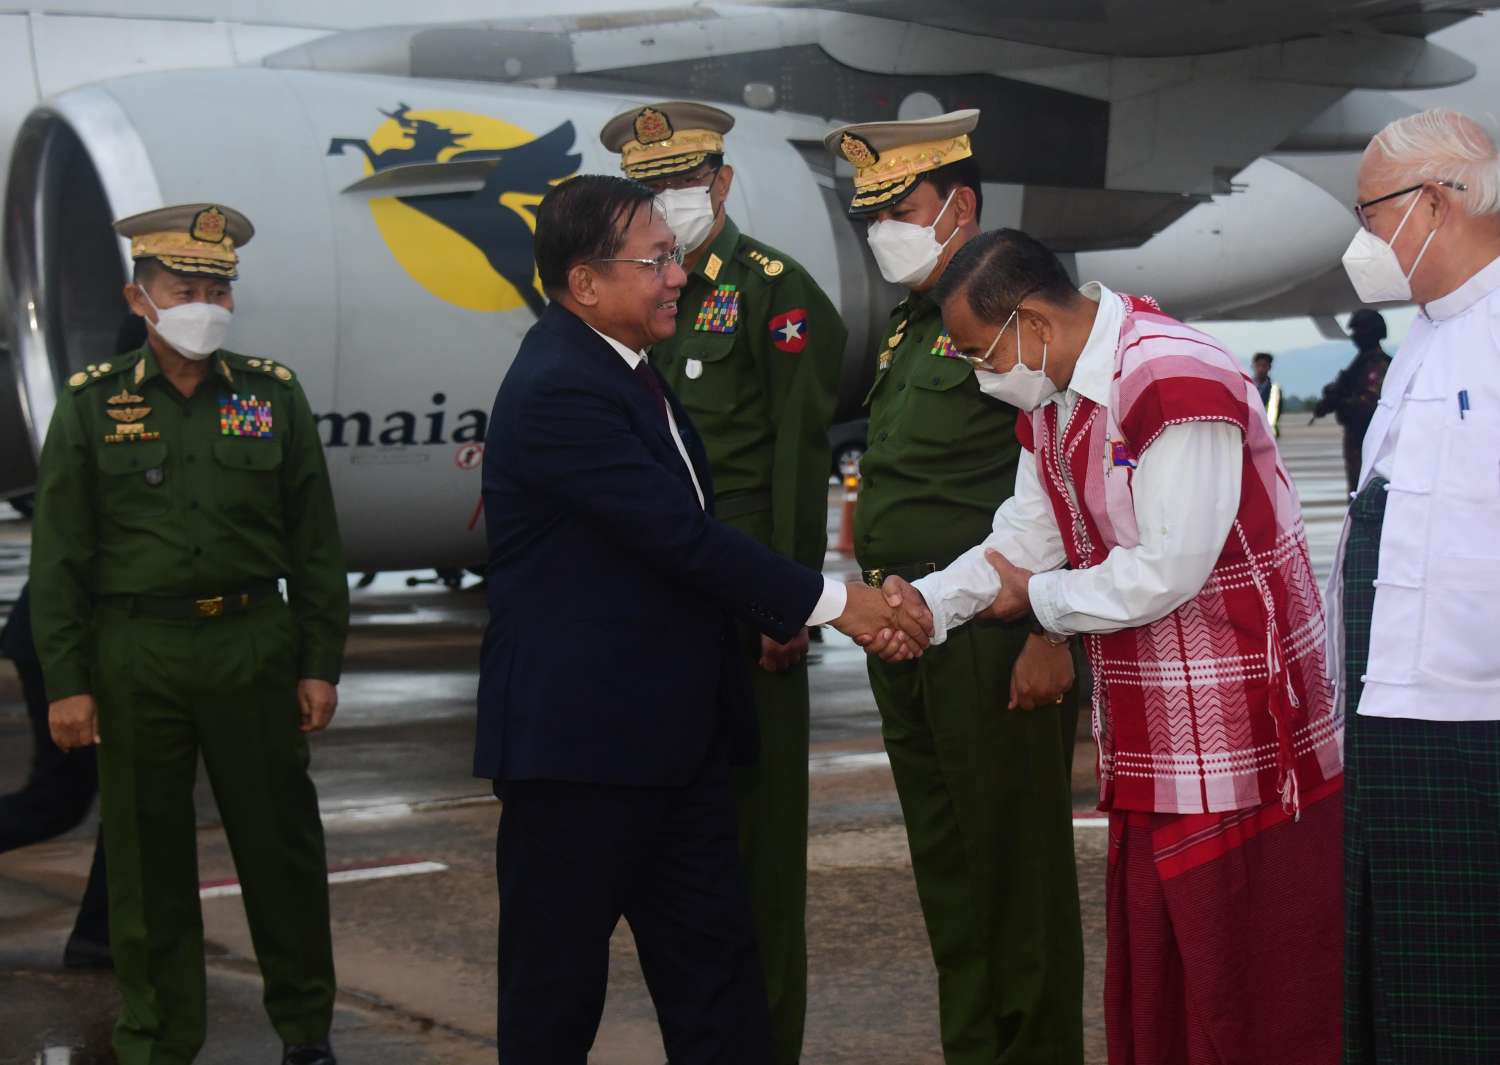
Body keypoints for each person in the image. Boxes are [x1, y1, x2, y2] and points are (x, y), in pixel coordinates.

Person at [476, 174, 929, 1065]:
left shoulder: (628, 369)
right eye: (655, 261)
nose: (678, 276)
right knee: (553, 1002)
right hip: (579, 759)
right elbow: (678, 538)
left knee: (717, 988)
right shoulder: (560, 386)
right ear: (585, 283)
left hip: (673, 748)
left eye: (674, 257)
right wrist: (840, 602)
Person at [872, 228, 1345, 1064]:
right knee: (1166, 978)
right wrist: (928, 604)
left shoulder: (1173, 377)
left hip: (1240, 734)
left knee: (1248, 986)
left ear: (1032, 324)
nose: (982, 375)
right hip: (1154, 732)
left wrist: (1040, 600)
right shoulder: (1054, 397)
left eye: (982, 355)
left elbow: (1169, 566)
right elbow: (1026, 537)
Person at [29, 203, 349, 1065]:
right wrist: (67, 682)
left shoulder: (272, 396)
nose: (205, 305)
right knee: (146, 862)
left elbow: (315, 543)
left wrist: (320, 661)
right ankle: (158, 1039)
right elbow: (59, 558)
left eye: (218, 290)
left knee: (281, 848)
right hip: (138, 651)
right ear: (139, 298)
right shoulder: (93, 404)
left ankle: (305, 1030)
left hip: (252, 642)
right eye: (185, 290)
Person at [822, 111, 1084, 1064]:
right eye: (871, 215)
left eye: (901, 209)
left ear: (960, 206)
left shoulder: (1015, 318)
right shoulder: (910, 326)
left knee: (1017, 880)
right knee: (951, 874)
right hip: (911, 635)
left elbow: (1065, 484)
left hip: (995, 640)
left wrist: (1051, 633)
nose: (882, 230)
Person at [600, 102, 847, 1064]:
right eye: (650, 187)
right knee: (674, 842)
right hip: (653, 596)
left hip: (744, 592)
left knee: (759, 843)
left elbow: (796, 458)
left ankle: (767, 1042)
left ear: (722, 183)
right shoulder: (631, 298)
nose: (671, 201)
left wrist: (785, 599)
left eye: (684, 183)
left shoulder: (774, 293)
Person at [1329, 107, 1500, 1062]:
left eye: (1371, 213)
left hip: (1476, 727)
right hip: (1393, 715)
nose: (1363, 241)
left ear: (1437, 201)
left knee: (1466, 997)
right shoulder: (1425, 340)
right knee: (1400, 989)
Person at [0, 582, 111, 969]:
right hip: (67, 641)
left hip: (76, 636)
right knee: (59, 800)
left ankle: (102, 934)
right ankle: (101, 934)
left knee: (73, 798)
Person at [1314, 308, 1391, 493]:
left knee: (1369, 494)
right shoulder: (1361, 363)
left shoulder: (1377, 364)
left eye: (1359, 330)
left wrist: (1339, 402)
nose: (1355, 336)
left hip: (1371, 442)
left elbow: (1369, 405)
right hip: (1358, 442)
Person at [1251, 351, 1282, 436]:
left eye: (1264, 366)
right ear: (1254, 366)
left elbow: (1276, 413)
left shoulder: (1275, 390)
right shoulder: (1247, 386)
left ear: (1269, 367)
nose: (1261, 369)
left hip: (1268, 431)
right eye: (1258, 365)